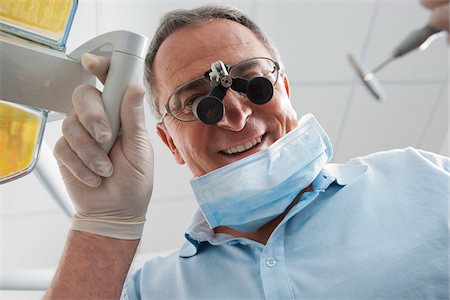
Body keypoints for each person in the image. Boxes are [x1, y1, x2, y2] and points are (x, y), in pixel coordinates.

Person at [44, 5, 448, 300]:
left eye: (254, 83)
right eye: (200, 103)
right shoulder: (151, 291)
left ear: (285, 92)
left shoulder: (421, 181)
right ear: (170, 143)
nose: (236, 115)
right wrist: (103, 228)